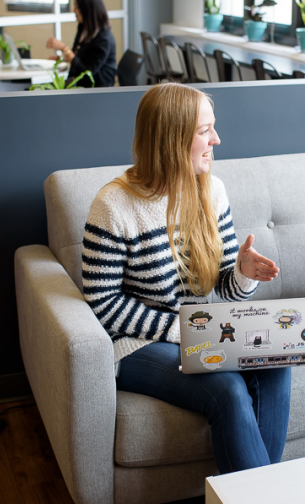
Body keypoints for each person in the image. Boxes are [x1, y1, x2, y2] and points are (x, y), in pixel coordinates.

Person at [81, 82, 289, 473]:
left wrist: (243, 274)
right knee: (226, 388)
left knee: (277, 360)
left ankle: (261, 493)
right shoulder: (113, 205)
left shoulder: (212, 190)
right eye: (204, 131)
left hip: (200, 330)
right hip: (136, 345)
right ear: (173, 139)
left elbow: (224, 291)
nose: (217, 139)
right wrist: (184, 328)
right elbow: (102, 305)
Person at [46, 0, 117, 87]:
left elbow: (87, 72)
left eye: (77, 6)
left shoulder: (103, 39)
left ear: (88, 9)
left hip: (97, 90)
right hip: (79, 84)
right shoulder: (83, 28)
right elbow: (79, 56)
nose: (74, 10)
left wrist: (64, 48)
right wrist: (62, 59)